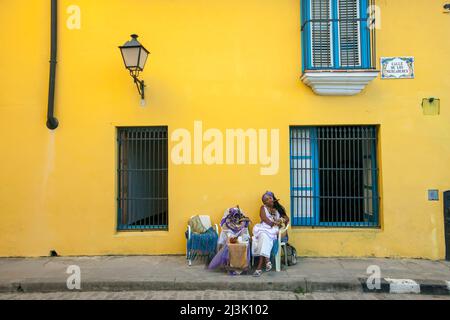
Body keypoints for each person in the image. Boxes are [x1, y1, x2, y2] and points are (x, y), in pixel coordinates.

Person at [252, 191, 290, 277]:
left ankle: (259, 267)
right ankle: (267, 260)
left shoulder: (278, 209)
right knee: (264, 236)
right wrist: (274, 223)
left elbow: (287, 218)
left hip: (273, 230)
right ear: (264, 202)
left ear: (273, 199)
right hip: (264, 227)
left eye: (270, 198)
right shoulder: (263, 208)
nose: (269, 200)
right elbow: (264, 219)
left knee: (264, 237)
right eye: (266, 199)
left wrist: (282, 220)